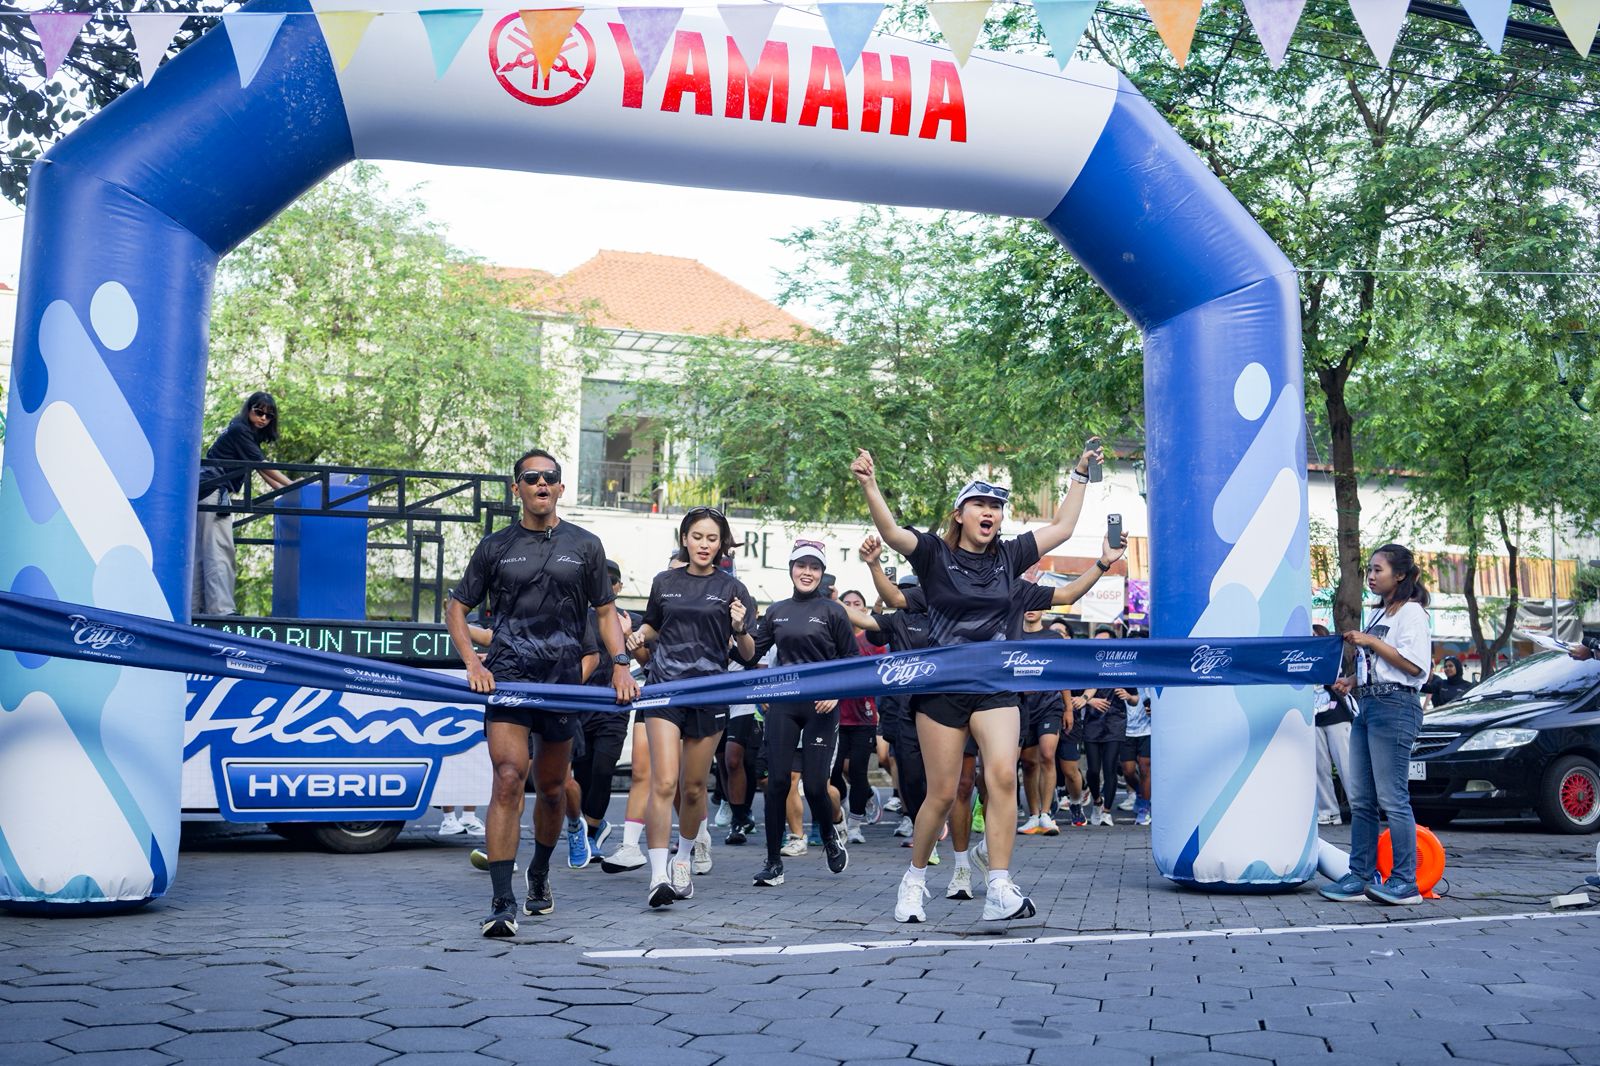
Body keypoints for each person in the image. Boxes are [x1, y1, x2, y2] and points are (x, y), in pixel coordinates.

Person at [853, 442, 1100, 923]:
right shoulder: (934, 555)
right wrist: (869, 483)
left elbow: (1063, 528)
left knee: (1002, 776)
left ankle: (1000, 886)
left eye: (996, 507)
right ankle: (914, 880)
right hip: (942, 689)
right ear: (960, 514)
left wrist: (1080, 474)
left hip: (995, 687)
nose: (989, 512)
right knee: (943, 794)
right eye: (980, 504)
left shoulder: (1010, 557)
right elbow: (891, 532)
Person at [447, 449, 638, 938]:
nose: (541, 484)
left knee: (552, 790)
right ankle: (501, 901)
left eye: (549, 477)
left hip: (561, 679)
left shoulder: (586, 545)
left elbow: (605, 613)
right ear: (517, 488)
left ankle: (539, 873)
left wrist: (620, 666)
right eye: (531, 477)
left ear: (560, 488)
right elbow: (456, 608)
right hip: (509, 675)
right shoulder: (495, 546)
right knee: (509, 777)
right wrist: (473, 663)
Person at [625, 508, 756, 907]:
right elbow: (653, 624)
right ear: (685, 538)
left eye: (712, 538)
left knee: (694, 787)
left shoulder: (732, 588)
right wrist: (638, 635)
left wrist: (739, 629)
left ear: (721, 544)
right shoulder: (664, 581)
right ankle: (658, 875)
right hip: (665, 689)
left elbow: (748, 653)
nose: (704, 544)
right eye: (697, 536)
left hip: (708, 694)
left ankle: (683, 859)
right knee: (664, 782)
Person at [1319, 543, 1431, 907]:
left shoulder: (1411, 613)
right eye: (1369, 569)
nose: (1370, 575)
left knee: (1393, 798)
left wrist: (1368, 640)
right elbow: (1381, 665)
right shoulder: (1380, 612)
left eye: (1378, 569)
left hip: (1395, 707)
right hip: (1368, 704)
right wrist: (1353, 681)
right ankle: (1360, 876)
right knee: (1362, 799)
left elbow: (1414, 666)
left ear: (1400, 575)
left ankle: (1405, 881)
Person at [746, 539, 858, 887]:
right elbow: (749, 655)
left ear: (822, 573)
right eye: (801, 566)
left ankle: (829, 837)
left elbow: (852, 662)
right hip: (784, 703)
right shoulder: (776, 610)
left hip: (821, 706)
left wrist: (835, 692)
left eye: (814, 567)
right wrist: (736, 629)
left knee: (814, 785)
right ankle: (773, 863)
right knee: (777, 783)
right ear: (791, 569)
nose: (807, 573)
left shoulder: (833, 611)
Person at [193, 392, 292, 615]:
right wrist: (294, 485)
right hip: (213, 492)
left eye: (269, 415)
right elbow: (263, 465)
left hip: (204, 492)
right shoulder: (240, 430)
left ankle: (196, 610)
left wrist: (285, 489)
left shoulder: (241, 432)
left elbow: (259, 468)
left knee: (200, 553)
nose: (263, 418)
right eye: (259, 412)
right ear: (248, 409)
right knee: (219, 550)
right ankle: (221, 610)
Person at [568, 563, 635, 866]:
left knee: (603, 770)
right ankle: (590, 828)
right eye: (598, 581)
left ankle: (592, 834)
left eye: (610, 582)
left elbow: (647, 655)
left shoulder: (627, 619)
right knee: (582, 775)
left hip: (615, 707)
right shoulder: (574, 616)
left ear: (619, 587)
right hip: (580, 708)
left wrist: (630, 635)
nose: (604, 586)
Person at [832, 589, 883, 844]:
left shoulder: (873, 641)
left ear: (864, 609)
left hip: (863, 717)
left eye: (857, 603)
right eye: (847, 603)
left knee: (858, 772)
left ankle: (854, 825)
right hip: (835, 716)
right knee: (833, 773)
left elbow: (881, 675)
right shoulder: (833, 637)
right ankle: (840, 810)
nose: (851, 606)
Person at [1081, 628, 1132, 827]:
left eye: (1104, 641)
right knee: (1093, 770)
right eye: (1096, 641)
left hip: (1115, 722)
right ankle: (1097, 802)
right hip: (1092, 723)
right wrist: (1090, 700)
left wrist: (1128, 696)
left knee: (1110, 767)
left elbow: (1135, 698)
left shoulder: (1123, 667)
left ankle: (1107, 812)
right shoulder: (1087, 666)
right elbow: (1078, 694)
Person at [1312, 622, 1354, 826]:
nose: (1311, 638)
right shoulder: (1300, 656)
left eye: (1314, 635)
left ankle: (1360, 808)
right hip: (1314, 716)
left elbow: (1335, 678)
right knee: (1319, 766)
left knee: (1347, 764)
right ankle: (1328, 811)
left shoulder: (1334, 655)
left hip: (1337, 714)